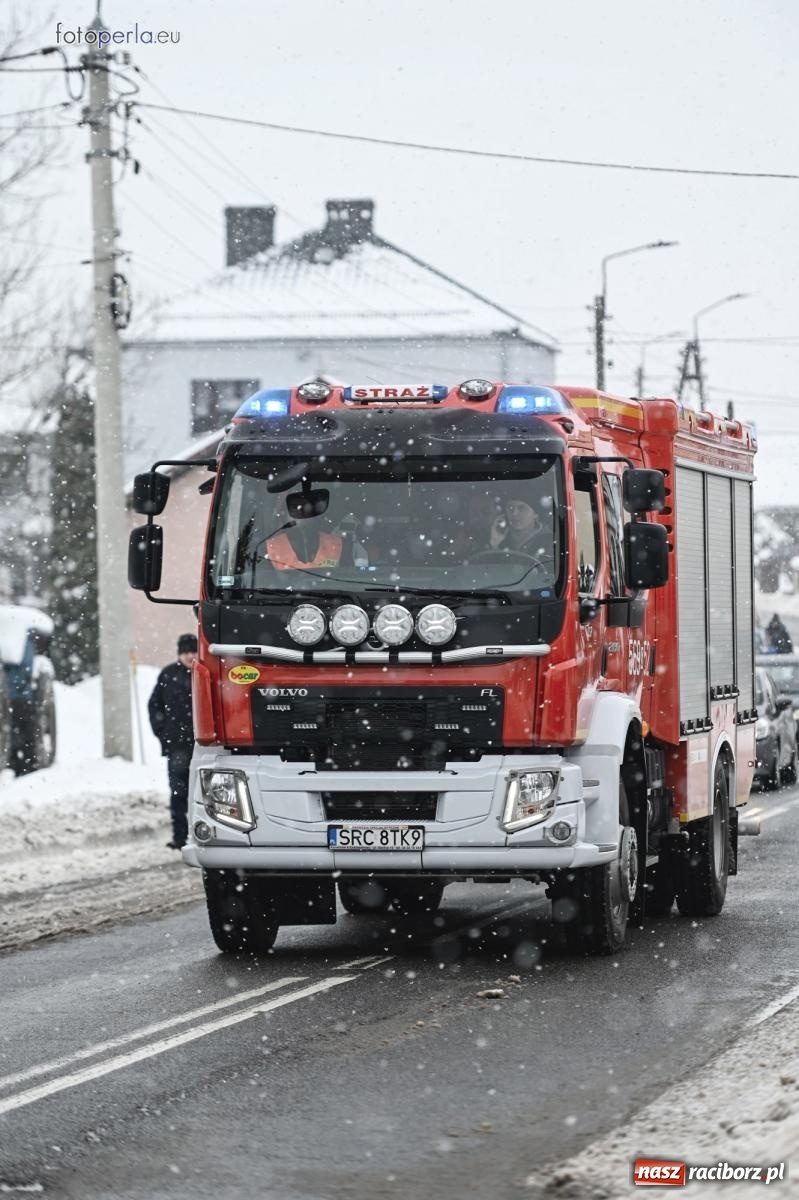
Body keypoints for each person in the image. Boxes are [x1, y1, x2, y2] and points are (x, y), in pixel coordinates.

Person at [148, 634, 197, 849]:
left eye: (193, 651)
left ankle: (203, 835)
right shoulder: (168, 675)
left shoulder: (205, 673)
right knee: (179, 792)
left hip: (204, 746)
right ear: (179, 654)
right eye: (186, 652)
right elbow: (154, 705)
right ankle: (180, 838)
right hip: (177, 746)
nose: (190, 656)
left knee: (203, 792)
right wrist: (163, 732)